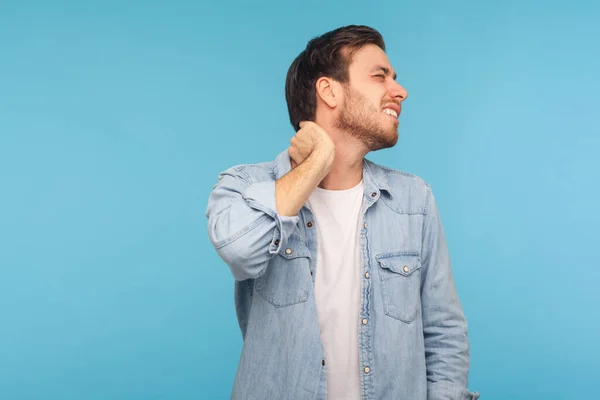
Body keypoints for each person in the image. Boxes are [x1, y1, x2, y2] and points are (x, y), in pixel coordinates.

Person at [206, 25, 480, 400]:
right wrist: (317, 160)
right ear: (329, 90)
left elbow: (443, 332)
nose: (399, 91)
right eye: (379, 76)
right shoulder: (244, 184)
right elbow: (241, 251)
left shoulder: (413, 200)